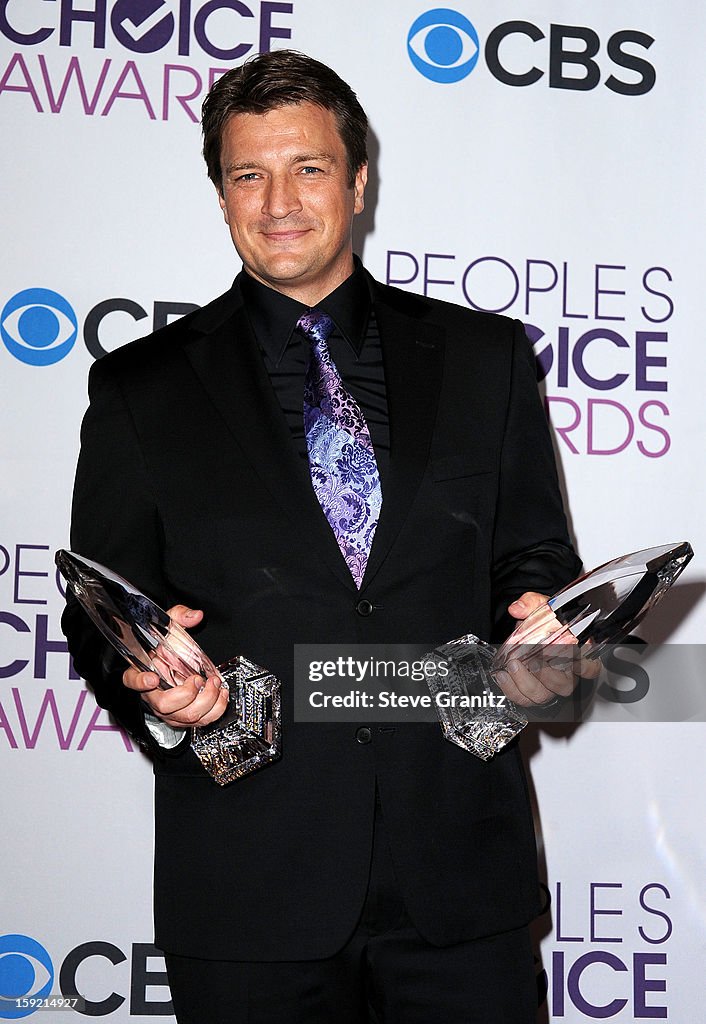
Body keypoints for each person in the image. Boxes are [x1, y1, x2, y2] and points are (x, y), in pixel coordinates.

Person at [62, 49, 589, 1023]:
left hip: (460, 875)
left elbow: (533, 558)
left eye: (306, 168)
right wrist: (153, 681)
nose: (277, 202)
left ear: (356, 180)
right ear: (220, 194)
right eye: (246, 175)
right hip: (249, 878)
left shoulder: (486, 359)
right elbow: (102, 606)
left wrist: (539, 628)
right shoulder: (142, 389)